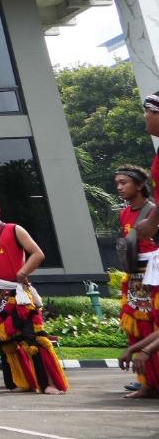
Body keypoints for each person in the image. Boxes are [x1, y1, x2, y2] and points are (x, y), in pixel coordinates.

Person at [0, 190, 68, 394]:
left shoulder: (14, 229)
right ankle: (25, 381)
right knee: (7, 342)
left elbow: (38, 254)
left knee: (34, 338)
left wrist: (23, 272)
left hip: (16, 294)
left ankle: (49, 383)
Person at [115, 164, 159, 398]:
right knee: (136, 328)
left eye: (124, 182)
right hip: (134, 277)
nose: (119, 187)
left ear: (141, 185)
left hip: (155, 277)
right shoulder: (123, 213)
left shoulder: (154, 211)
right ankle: (147, 383)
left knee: (154, 326)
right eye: (118, 183)